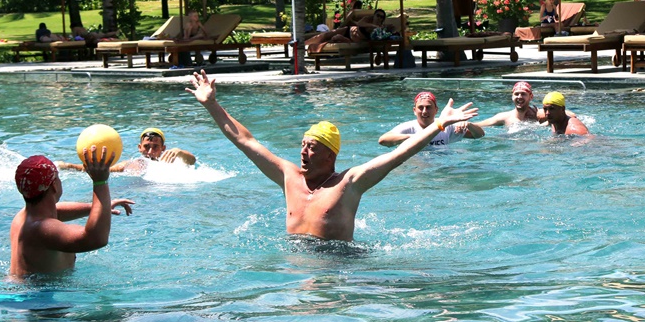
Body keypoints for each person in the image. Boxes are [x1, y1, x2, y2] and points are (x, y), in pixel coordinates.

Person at [186, 70, 478, 241]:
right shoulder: (289, 176)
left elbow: (401, 153)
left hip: (340, 267)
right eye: (303, 144)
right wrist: (211, 105)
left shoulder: (349, 183)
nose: (303, 151)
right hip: (296, 263)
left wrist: (440, 125)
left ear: (330, 155)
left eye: (312, 147)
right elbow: (245, 141)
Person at [8, 151, 135, 277]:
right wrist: (100, 182)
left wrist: (98, 207)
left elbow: (57, 210)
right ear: (54, 186)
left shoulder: (23, 217)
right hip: (41, 291)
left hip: (24, 287)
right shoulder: (41, 229)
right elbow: (96, 239)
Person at [55, 127, 197, 172]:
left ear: (163, 148)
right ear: (139, 148)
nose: (150, 151)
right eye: (146, 147)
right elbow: (103, 169)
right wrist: (68, 166)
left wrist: (180, 152)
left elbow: (192, 161)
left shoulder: (172, 159)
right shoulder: (132, 164)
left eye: (155, 147)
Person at [378, 91, 484, 148]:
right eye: (420, 108)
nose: (424, 111)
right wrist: (413, 138)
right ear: (414, 110)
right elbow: (383, 140)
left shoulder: (445, 126)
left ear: (436, 110)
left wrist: (468, 124)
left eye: (428, 107)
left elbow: (479, 135)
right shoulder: (408, 128)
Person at [476, 81, 543, 128]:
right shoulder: (504, 117)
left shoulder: (539, 115)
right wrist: (469, 123)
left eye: (523, 94)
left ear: (531, 97)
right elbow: (479, 125)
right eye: (516, 94)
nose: (519, 97)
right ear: (512, 97)